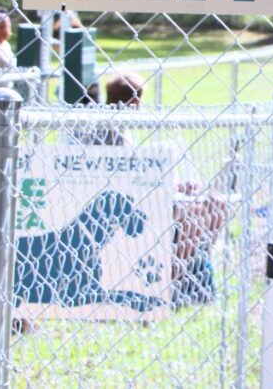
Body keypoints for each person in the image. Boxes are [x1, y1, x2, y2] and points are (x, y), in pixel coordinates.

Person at [93, 72, 227, 305]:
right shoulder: (109, 132)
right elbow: (126, 182)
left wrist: (175, 185)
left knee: (214, 203)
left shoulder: (116, 127)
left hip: (142, 198)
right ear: (135, 102)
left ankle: (184, 276)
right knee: (195, 213)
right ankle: (170, 281)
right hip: (130, 206)